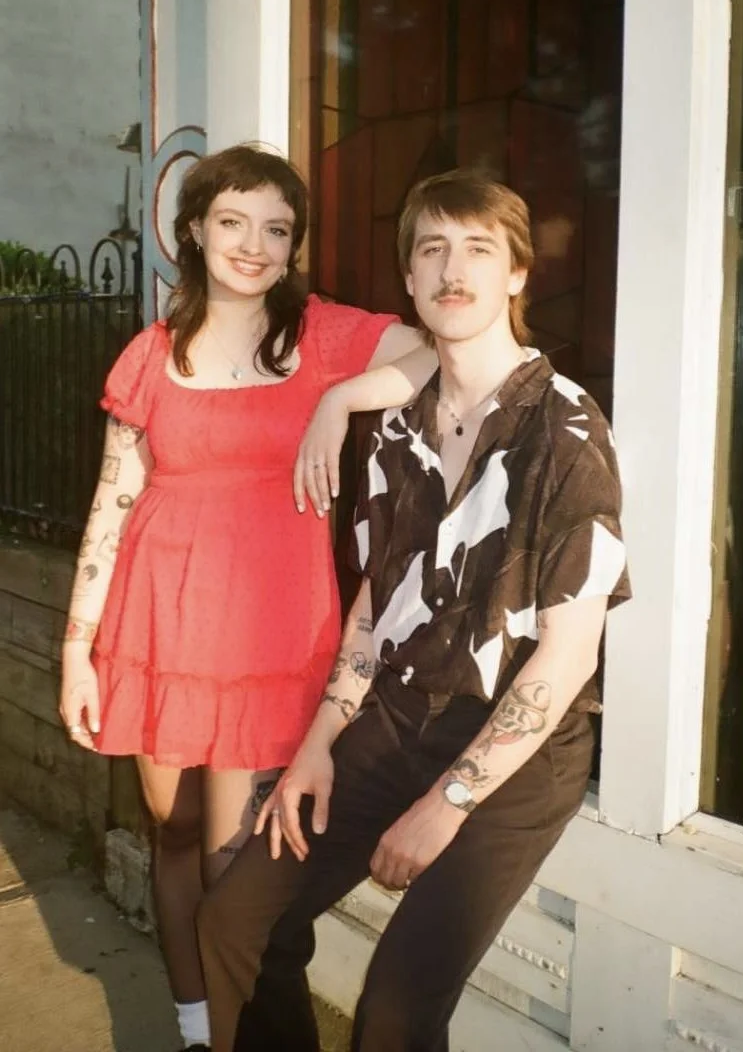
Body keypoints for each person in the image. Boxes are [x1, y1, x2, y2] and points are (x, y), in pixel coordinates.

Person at [197, 168, 632, 1052]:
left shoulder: (566, 428)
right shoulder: (399, 426)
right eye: (432, 248)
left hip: (511, 754)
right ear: (409, 278)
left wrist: (449, 802)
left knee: (392, 1017)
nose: (453, 268)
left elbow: (567, 656)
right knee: (235, 924)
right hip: (394, 719)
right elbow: (374, 606)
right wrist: (318, 744)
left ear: (516, 274)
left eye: (479, 248)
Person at [57, 144, 433, 1052]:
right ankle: (197, 1030)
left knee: (236, 866)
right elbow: (114, 500)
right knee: (174, 832)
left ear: (295, 245)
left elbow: (433, 354)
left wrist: (340, 398)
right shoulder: (151, 354)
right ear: (193, 231)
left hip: (267, 638)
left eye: (277, 229)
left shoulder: (322, 337)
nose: (255, 246)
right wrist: (78, 649)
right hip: (155, 625)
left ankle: (236, 1034)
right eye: (233, 222)